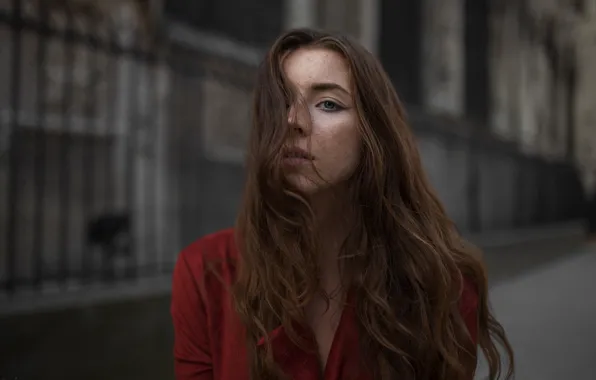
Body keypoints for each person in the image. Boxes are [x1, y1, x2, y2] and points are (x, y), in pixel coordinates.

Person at [171, 28, 514, 380]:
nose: (293, 121)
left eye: (328, 104)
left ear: (373, 133)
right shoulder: (206, 274)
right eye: (281, 102)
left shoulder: (442, 285)